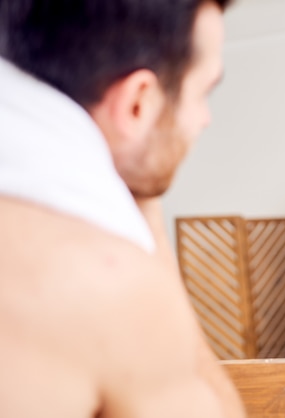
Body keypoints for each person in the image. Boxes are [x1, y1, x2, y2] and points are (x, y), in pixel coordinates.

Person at [0, 1, 246, 417]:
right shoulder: (108, 283)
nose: (203, 119)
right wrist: (148, 222)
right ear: (137, 103)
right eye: (204, 92)